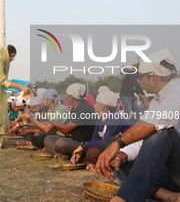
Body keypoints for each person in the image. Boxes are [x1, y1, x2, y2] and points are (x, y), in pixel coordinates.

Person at [96, 49, 180, 202]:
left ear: (153, 77)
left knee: (163, 133)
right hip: (171, 170)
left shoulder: (178, 89)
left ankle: (124, 198)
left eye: (141, 77)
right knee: (129, 164)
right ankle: (169, 196)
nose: (140, 81)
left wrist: (117, 143)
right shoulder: (157, 100)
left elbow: (155, 126)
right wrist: (123, 154)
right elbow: (145, 138)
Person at [71, 89, 130, 171]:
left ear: (102, 106)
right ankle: (90, 163)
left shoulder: (114, 118)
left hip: (122, 152)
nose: (94, 105)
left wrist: (83, 145)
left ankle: (95, 164)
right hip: (107, 150)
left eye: (96, 103)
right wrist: (81, 151)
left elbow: (106, 143)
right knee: (90, 151)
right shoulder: (100, 119)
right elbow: (94, 140)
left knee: (93, 152)